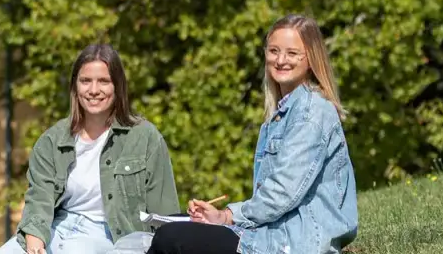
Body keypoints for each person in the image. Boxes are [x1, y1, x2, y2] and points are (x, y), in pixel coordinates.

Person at [147, 14, 359, 254]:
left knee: (171, 237)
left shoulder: (311, 112)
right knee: (171, 222)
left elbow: (282, 193)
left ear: (310, 58)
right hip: (270, 233)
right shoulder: (281, 113)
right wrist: (218, 216)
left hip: (295, 242)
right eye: (274, 51)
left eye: (292, 53)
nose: (280, 60)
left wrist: (227, 216)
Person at [0, 44, 180, 254]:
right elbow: (39, 200)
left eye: (103, 81)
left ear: (117, 86)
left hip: (112, 235)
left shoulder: (145, 137)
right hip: (56, 228)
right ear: (75, 87)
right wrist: (35, 243)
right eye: (85, 81)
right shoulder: (52, 141)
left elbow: (165, 214)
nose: (93, 90)